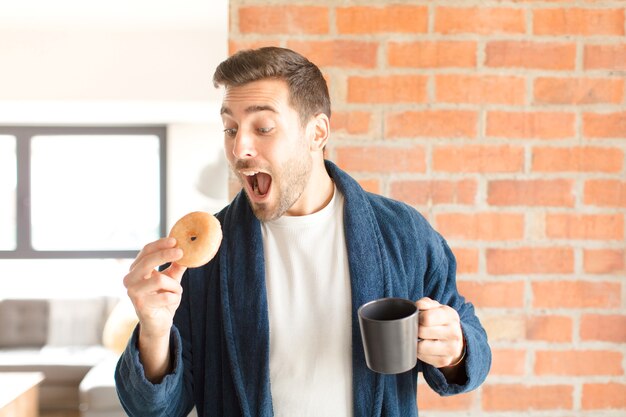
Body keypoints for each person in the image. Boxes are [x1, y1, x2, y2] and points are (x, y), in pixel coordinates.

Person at [115, 47, 491, 417]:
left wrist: (455, 348)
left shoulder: (401, 232)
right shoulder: (204, 259)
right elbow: (157, 408)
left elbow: (471, 346)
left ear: (317, 132)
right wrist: (153, 331)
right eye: (230, 128)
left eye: (263, 128)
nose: (239, 147)